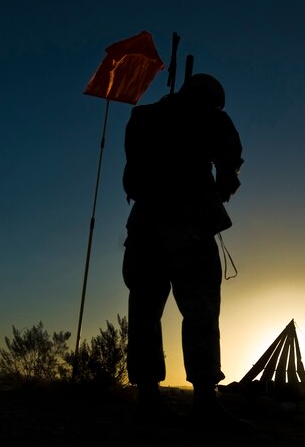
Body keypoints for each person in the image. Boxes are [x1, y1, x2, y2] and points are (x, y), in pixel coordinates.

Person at [121, 73, 244, 426]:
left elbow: (133, 170)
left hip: (143, 226)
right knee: (201, 312)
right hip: (188, 227)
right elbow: (229, 165)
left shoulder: (142, 117)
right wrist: (220, 191)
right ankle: (205, 402)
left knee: (144, 313)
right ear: (212, 99)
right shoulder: (213, 118)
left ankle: (148, 400)